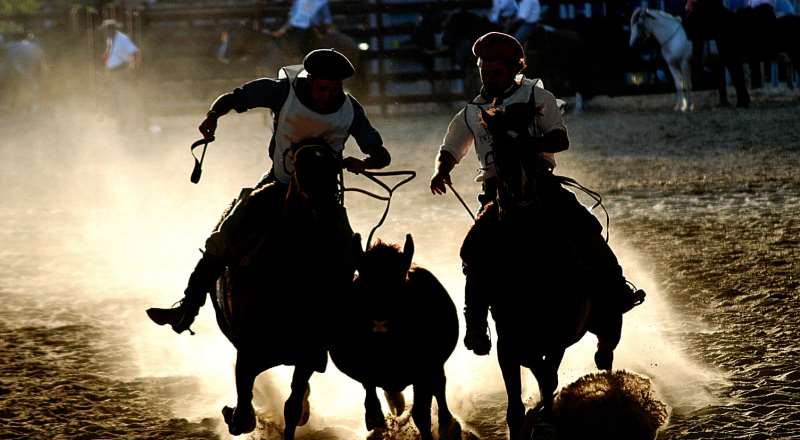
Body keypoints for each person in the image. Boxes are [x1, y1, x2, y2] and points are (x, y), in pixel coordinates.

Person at [428, 32, 644, 355]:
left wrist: (526, 145)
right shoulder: (471, 112)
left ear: (514, 68)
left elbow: (560, 139)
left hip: (541, 184)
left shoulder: (537, 97)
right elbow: (451, 147)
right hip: (496, 193)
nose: (488, 78)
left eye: (496, 72)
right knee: (474, 252)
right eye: (484, 72)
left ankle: (615, 290)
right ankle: (476, 327)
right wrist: (441, 169)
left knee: (585, 226)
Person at [147, 48, 391, 334]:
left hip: (325, 195)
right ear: (310, 79)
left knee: (348, 255)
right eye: (323, 87)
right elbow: (234, 98)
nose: (328, 95)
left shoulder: (351, 110)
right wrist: (213, 115)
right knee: (224, 236)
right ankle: (187, 308)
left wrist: (363, 162)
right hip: (279, 182)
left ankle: (358, 324)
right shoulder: (281, 91)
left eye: (334, 88)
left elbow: (381, 155)